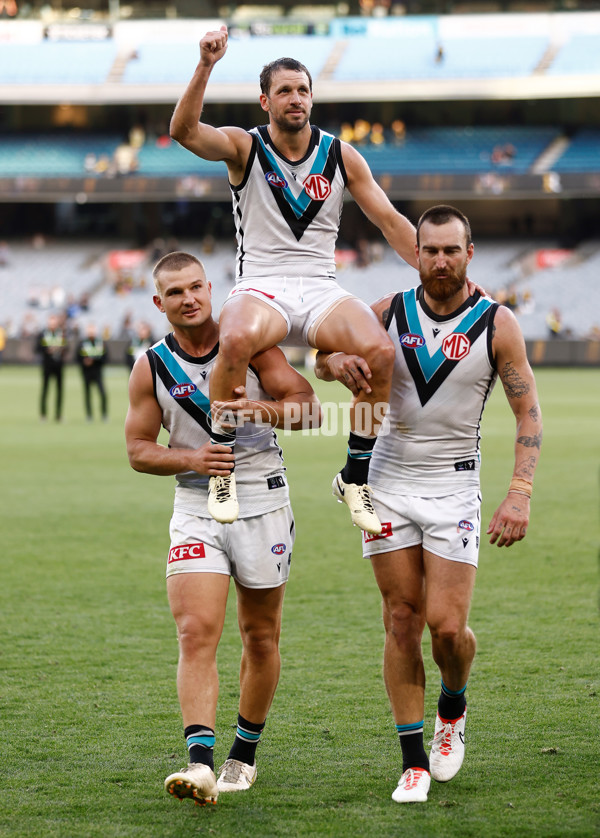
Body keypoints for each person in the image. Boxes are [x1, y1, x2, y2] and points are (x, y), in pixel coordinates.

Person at [315, 205, 542, 804]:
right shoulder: (385, 312)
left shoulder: (499, 323)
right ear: (414, 253)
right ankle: (413, 759)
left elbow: (528, 413)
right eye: (430, 250)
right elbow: (321, 355)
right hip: (384, 482)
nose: (440, 261)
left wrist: (518, 492)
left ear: (470, 253)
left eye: (451, 250)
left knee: (446, 629)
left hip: (454, 489)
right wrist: (334, 361)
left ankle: (453, 706)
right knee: (400, 619)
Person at [169, 24, 419, 534]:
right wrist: (205, 65)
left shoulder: (341, 155)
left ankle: (355, 474)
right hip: (262, 283)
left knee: (381, 353)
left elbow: (391, 222)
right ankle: (222, 457)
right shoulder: (246, 147)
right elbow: (185, 133)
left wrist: (448, 275)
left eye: (303, 89)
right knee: (234, 337)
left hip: (321, 285)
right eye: (284, 90)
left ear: (312, 97)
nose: (295, 98)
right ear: (265, 101)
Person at [125, 251, 321, 806]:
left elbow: (309, 408)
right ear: (158, 303)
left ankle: (245, 753)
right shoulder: (151, 366)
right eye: (175, 292)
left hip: (263, 499)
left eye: (196, 288)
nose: (189, 299)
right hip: (196, 505)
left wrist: (259, 411)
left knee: (260, 635)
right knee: (196, 631)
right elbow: (138, 449)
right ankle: (200, 763)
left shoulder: (250, 346)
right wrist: (191, 459)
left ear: (211, 289)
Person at [35, 313, 68, 422]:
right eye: (51, 321)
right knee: (45, 389)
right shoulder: (43, 334)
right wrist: (47, 350)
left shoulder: (61, 334)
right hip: (47, 366)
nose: (52, 324)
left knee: (59, 391)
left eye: (54, 321)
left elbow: (67, 348)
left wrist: (60, 349)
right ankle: (43, 414)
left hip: (59, 366)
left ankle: (58, 415)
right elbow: (36, 348)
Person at [77, 322, 108, 421]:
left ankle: (104, 414)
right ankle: (89, 415)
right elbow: (77, 357)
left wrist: (94, 360)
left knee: (103, 393)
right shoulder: (82, 343)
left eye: (92, 330)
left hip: (98, 372)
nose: (91, 332)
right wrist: (84, 362)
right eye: (89, 330)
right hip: (86, 373)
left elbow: (106, 357)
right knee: (87, 394)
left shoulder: (100, 343)